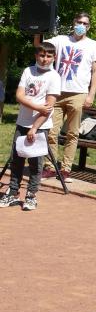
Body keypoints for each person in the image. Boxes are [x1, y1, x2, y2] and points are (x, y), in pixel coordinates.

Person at [41, 12, 96, 182]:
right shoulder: (61, 40)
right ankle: (50, 167)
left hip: (79, 93)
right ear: (73, 23)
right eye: (78, 22)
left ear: (88, 27)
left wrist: (91, 94)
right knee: (51, 132)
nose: (81, 25)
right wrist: (37, 27)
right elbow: (40, 45)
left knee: (72, 134)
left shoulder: (93, 45)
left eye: (85, 23)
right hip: (57, 93)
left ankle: (66, 169)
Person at [0, 43, 61, 211]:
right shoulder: (28, 71)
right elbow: (19, 96)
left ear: (54, 58)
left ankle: (31, 195)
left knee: (35, 161)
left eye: (49, 56)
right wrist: (37, 107)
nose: (45, 59)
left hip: (40, 126)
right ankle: (13, 192)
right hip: (22, 123)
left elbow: (47, 109)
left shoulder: (54, 77)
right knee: (16, 159)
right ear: (36, 56)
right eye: (42, 55)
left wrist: (34, 128)